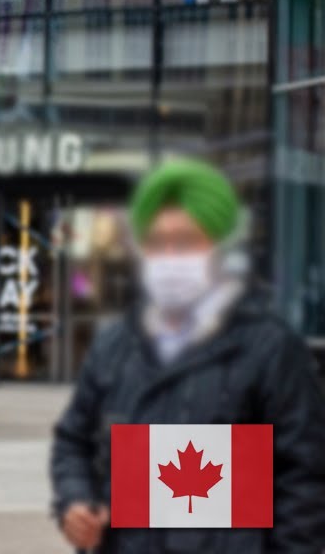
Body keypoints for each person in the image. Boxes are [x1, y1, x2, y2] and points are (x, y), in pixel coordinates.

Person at [50, 159, 325, 553]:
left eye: (186, 242)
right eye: (158, 243)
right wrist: (76, 499)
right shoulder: (116, 345)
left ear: (220, 247)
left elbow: (305, 477)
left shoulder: (270, 347)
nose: (171, 256)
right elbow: (73, 439)